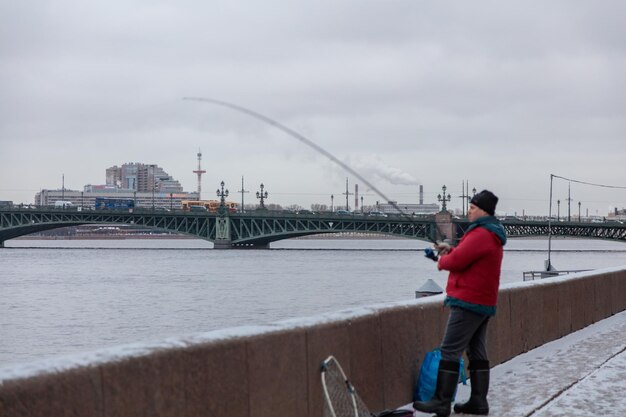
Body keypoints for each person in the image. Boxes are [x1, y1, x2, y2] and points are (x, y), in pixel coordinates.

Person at [413, 190, 506, 417]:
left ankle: (441, 401)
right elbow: (467, 256)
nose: (469, 211)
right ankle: (478, 402)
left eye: (473, 207)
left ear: (484, 210)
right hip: (482, 301)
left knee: (450, 350)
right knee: (476, 351)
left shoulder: (482, 233)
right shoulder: (489, 233)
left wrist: (443, 259)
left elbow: (459, 261)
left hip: (468, 300)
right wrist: (451, 250)